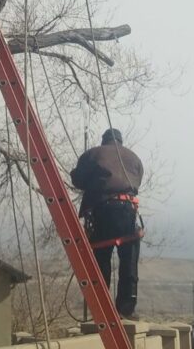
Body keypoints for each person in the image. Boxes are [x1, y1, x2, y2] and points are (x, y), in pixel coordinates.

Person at [70, 127, 144, 317]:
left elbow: (78, 180)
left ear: (104, 141)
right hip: (127, 211)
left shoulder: (93, 154)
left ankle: (101, 308)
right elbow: (136, 183)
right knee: (129, 259)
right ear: (120, 141)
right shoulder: (134, 158)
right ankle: (126, 309)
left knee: (100, 258)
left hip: (102, 209)